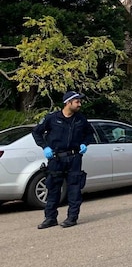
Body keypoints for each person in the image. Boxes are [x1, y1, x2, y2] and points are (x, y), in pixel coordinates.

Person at [31, 91, 95, 229]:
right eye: (77, 101)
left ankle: (72, 218)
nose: (80, 104)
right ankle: (50, 218)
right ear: (68, 103)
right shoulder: (52, 118)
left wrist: (85, 143)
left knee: (74, 189)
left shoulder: (80, 119)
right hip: (56, 158)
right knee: (53, 188)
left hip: (74, 158)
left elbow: (90, 134)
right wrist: (45, 147)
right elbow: (36, 132)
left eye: (79, 101)